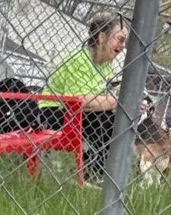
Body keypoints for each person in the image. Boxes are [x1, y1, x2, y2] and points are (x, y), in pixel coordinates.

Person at [39, 12, 128, 184]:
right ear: (102, 37)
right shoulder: (80, 59)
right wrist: (119, 101)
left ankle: (92, 172)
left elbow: (97, 101)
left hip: (79, 114)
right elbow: (81, 102)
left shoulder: (105, 65)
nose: (123, 46)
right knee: (109, 119)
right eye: (120, 39)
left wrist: (107, 102)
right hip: (52, 111)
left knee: (115, 119)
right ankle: (90, 173)